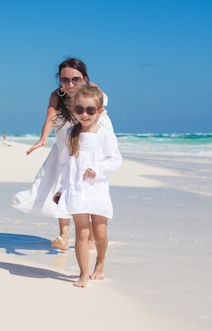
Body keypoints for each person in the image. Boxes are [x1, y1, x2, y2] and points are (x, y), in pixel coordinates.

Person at [11, 57, 114, 251]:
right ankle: (64, 236)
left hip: (89, 141)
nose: (70, 84)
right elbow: (50, 117)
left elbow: (98, 114)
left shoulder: (92, 89)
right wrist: (43, 139)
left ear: (84, 78)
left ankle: (91, 235)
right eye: (65, 79)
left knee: (87, 186)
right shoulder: (57, 96)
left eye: (75, 79)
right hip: (66, 141)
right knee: (64, 185)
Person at [53, 84, 122, 287]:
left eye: (90, 110)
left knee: (100, 234)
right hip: (76, 190)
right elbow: (65, 165)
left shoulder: (104, 135)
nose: (85, 114)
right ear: (74, 110)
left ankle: (100, 262)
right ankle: (83, 273)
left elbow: (115, 159)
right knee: (81, 233)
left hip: (97, 189)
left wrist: (98, 169)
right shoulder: (70, 134)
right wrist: (61, 189)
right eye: (80, 109)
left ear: (99, 111)